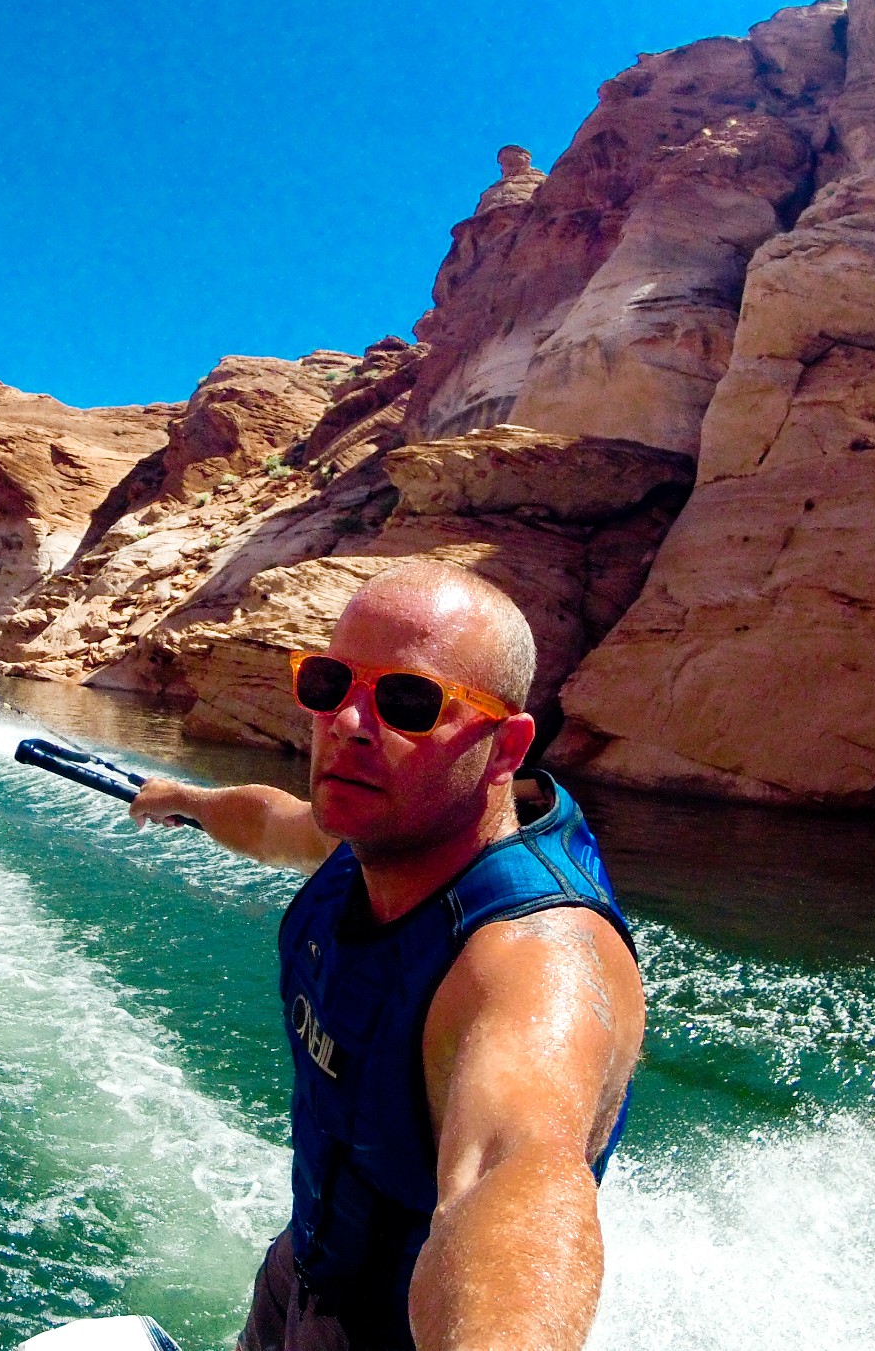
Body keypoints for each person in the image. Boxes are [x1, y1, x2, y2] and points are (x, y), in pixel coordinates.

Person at [129, 562, 645, 1351]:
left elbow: (516, 1177)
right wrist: (188, 802)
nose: (351, 722)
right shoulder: (381, 825)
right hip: (301, 1271)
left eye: (409, 701)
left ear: (504, 748)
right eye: (331, 684)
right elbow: (278, 824)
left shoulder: (533, 962)